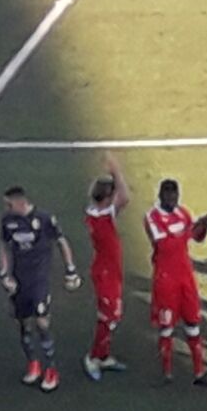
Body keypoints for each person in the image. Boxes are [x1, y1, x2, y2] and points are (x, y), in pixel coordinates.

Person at [0, 186, 80, 393]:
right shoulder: (7, 221)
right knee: (24, 324)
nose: (6, 208)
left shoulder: (44, 219)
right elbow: (4, 246)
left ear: (20, 202)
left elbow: (61, 241)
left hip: (39, 281)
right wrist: (4, 274)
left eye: (9, 204)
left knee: (42, 323)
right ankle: (33, 363)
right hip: (19, 281)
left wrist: (70, 269)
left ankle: (51, 369)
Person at [145, 178, 207, 385]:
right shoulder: (152, 217)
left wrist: (203, 228)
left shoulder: (182, 213)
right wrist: (190, 232)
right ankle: (166, 372)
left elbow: (196, 238)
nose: (173, 200)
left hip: (185, 276)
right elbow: (164, 246)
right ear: (160, 196)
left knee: (193, 323)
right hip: (165, 279)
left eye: (175, 196)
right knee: (166, 327)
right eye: (168, 196)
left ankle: (199, 372)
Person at [83, 154, 130, 381]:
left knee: (111, 317)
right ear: (107, 199)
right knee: (108, 317)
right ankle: (93, 357)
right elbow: (125, 197)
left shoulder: (94, 212)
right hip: (105, 273)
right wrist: (116, 171)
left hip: (108, 269)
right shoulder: (103, 216)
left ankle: (103, 355)